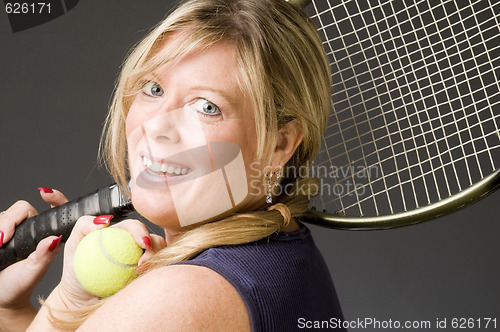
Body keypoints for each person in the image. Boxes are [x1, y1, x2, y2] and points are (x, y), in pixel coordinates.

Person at [0, 0, 345, 330]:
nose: (158, 127)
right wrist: (9, 311)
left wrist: (68, 303)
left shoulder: (180, 296)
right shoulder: (287, 258)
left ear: (279, 144)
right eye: (153, 88)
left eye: (207, 107)